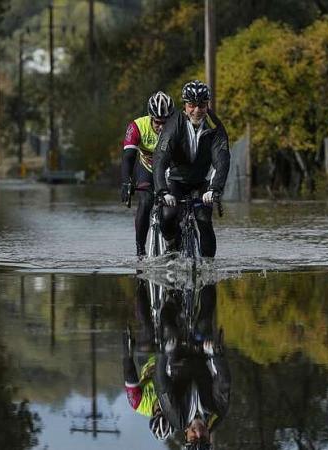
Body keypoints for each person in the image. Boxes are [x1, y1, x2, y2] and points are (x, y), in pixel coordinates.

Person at [153, 80, 230, 257]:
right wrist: (163, 191)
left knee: (204, 220)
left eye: (202, 105)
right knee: (169, 214)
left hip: (202, 182)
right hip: (176, 181)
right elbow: (160, 159)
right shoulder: (173, 125)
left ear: (207, 104)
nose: (196, 110)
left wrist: (214, 189)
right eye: (192, 105)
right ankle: (172, 243)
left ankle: (208, 271)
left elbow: (222, 160)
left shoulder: (215, 127)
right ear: (185, 105)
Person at [153, 284, 231, 449]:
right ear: (210, 438)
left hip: (176, 360)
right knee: (204, 320)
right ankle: (208, 272)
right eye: (203, 438)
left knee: (169, 328)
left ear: (186, 434)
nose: (199, 433)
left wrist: (163, 353)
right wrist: (216, 354)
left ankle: (171, 299)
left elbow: (162, 386)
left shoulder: (177, 417)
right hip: (201, 355)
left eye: (194, 438)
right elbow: (223, 382)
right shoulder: (217, 414)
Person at [121, 91, 175, 257]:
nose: (162, 127)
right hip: (148, 169)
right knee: (145, 203)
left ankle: (174, 241)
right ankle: (140, 250)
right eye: (158, 122)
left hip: (170, 169)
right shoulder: (137, 126)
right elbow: (128, 157)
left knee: (174, 207)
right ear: (151, 117)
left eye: (166, 122)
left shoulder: (179, 125)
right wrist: (126, 182)